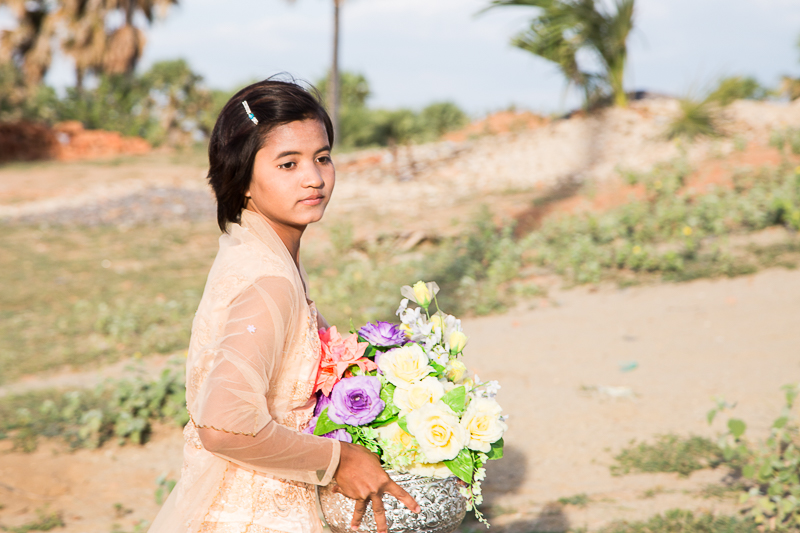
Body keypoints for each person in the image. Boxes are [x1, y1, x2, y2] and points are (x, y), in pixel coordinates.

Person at [148, 78, 419, 533]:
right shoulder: (269, 278)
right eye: (287, 163)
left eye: (323, 157)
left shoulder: (262, 251)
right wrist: (340, 459)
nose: (313, 177)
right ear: (243, 178)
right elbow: (223, 425)